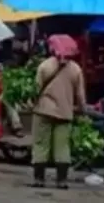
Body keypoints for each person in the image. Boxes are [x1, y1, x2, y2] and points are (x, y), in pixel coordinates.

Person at [31, 35, 87, 189]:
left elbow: (36, 89)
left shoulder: (44, 66)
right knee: (62, 147)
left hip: (43, 110)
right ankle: (61, 180)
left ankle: (39, 179)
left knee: (41, 144)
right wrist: (82, 110)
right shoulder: (76, 69)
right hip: (65, 112)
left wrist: (31, 103)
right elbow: (80, 95)